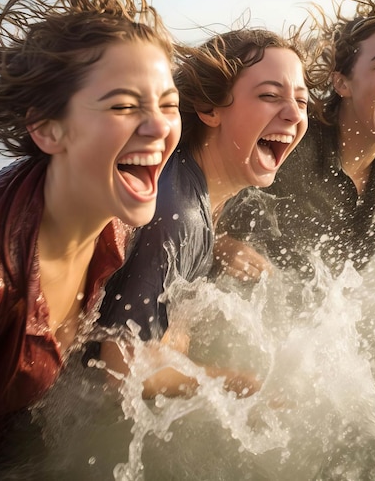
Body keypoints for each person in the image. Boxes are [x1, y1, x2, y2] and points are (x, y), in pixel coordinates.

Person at [0, 0, 181, 469]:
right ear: (47, 127)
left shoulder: (116, 219)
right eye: (124, 106)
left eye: (168, 103)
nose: (157, 126)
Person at [216, 0, 375, 345]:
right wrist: (220, 246)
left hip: (319, 333)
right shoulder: (290, 143)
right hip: (242, 318)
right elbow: (204, 189)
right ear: (342, 82)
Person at [97, 27, 309, 396]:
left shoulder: (213, 185)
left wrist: (219, 245)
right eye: (270, 96)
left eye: (303, 101)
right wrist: (234, 384)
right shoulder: (177, 209)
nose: (293, 114)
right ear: (210, 108)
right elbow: (121, 370)